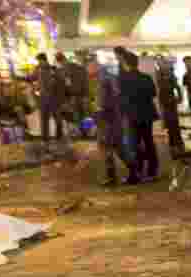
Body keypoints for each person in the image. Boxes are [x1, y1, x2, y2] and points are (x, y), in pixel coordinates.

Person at [87, 58, 137, 186]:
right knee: (118, 149)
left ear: (95, 67)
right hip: (114, 120)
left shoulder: (102, 82)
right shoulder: (109, 78)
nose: (88, 70)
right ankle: (132, 172)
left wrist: (97, 119)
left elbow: (102, 104)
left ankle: (113, 177)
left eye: (89, 67)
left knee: (107, 149)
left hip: (107, 122)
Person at [118, 50, 160, 180]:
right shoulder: (146, 77)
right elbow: (153, 94)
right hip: (147, 114)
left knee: (133, 145)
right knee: (149, 142)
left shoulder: (122, 79)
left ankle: (137, 172)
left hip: (131, 115)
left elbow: (119, 98)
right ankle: (152, 171)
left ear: (125, 64)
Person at [24, 53, 66, 142]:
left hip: (45, 99)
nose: (38, 63)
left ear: (42, 60)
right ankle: (58, 137)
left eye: (39, 61)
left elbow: (30, 78)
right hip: (52, 98)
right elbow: (62, 82)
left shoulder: (40, 69)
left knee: (45, 119)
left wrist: (24, 78)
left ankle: (46, 139)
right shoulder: (52, 69)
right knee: (55, 118)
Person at [155, 55, 184, 154]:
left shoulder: (170, 73)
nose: (160, 63)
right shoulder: (157, 74)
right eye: (158, 62)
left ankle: (178, 143)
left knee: (174, 122)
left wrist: (180, 97)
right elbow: (157, 88)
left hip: (171, 100)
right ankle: (172, 143)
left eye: (162, 62)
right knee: (168, 123)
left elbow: (177, 86)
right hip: (163, 101)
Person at [57, 53, 88, 135]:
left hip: (74, 94)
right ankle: (83, 132)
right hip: (78, 94)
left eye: (60, 61)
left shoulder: (66, 69)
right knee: (80, 114)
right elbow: (84, 80)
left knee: (76, 114)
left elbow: (67, 83)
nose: (61, 63)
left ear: (62, 60)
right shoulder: (76, 67)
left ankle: (80, 131)